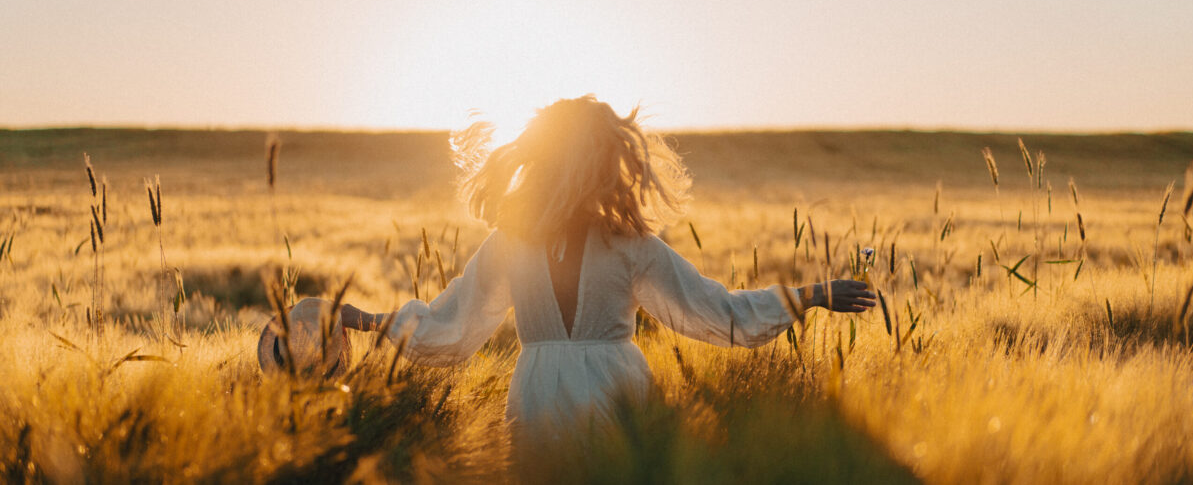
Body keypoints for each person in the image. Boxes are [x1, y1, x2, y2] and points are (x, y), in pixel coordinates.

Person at [308, 95, 875, 438]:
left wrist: (358, 318)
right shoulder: (628, 245)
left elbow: (447, 328)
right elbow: (716, 314)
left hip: (536, 398)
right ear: (605, 162)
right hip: (613, 393)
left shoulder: (516, 243)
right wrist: (811, 294)